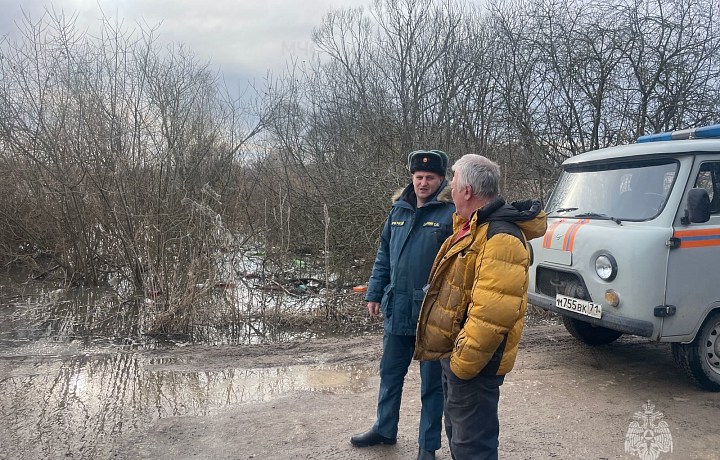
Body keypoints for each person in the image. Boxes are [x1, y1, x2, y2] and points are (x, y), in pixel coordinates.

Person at [413, 154, 547, 460]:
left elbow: (492, 315)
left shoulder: (501, 237)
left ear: (468, 191)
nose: (450, 189)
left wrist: (462, 365)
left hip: (473, 365)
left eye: (454, 182)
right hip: (457, 355)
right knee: (461, 439)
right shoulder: (472, 227)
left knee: (473, 447)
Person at [351, 150, 455, 460]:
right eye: (419, 177)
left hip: (432, 314)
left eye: (430, 178)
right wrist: (374, 292)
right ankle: (384, 429)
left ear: (441, 180)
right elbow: (384, 253)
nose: (423, 183)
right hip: (397, 309)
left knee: (432, 385)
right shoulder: (399, 210)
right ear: (412, 178)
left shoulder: (450, 213)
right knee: (390, 374)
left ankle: (428, 446)